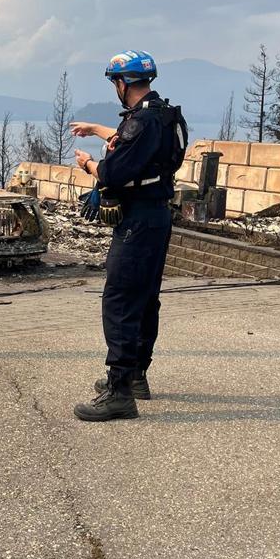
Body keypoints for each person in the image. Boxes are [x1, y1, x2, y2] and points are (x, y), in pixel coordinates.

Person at [69, 50, 187, 422]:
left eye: (115, 83)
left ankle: (119, 391)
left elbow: (113, 172)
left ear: (123, 84)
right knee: (146, 297)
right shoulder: (165, 116)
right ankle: (136, 376)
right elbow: (134, 141)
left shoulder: (142, 124)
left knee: (119, 300)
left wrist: (89, 164)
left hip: (136, 220)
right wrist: (96, 129)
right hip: (158, 216)